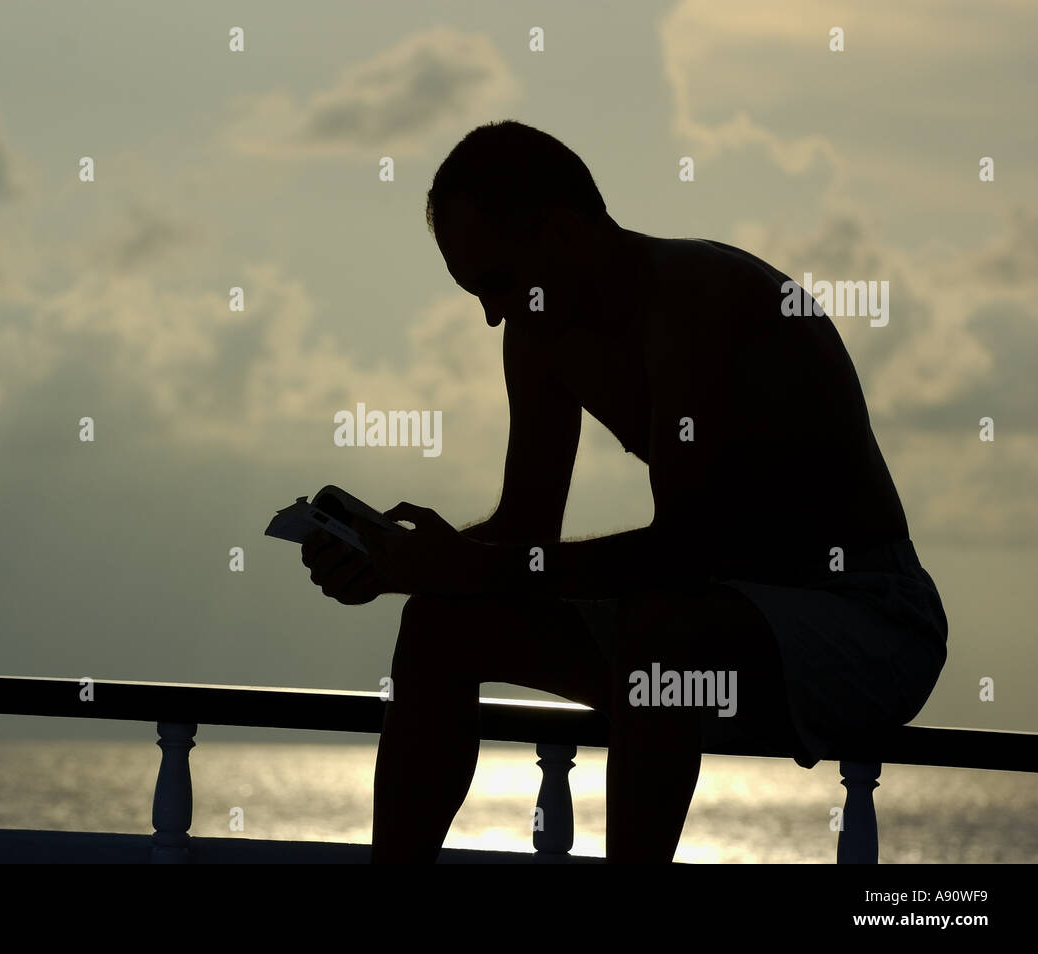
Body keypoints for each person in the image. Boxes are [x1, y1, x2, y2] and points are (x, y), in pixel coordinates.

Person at [299, 120, 949, 863]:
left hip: (870, 623)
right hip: (718, 624)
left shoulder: (695, 304)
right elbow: (526, 526)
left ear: (565, 234)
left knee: (658, 630)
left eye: (499, 283)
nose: (491, 314)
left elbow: (680, 551)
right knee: (437, 626)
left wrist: (462, 565)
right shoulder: (540, 332)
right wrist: (397, 564)